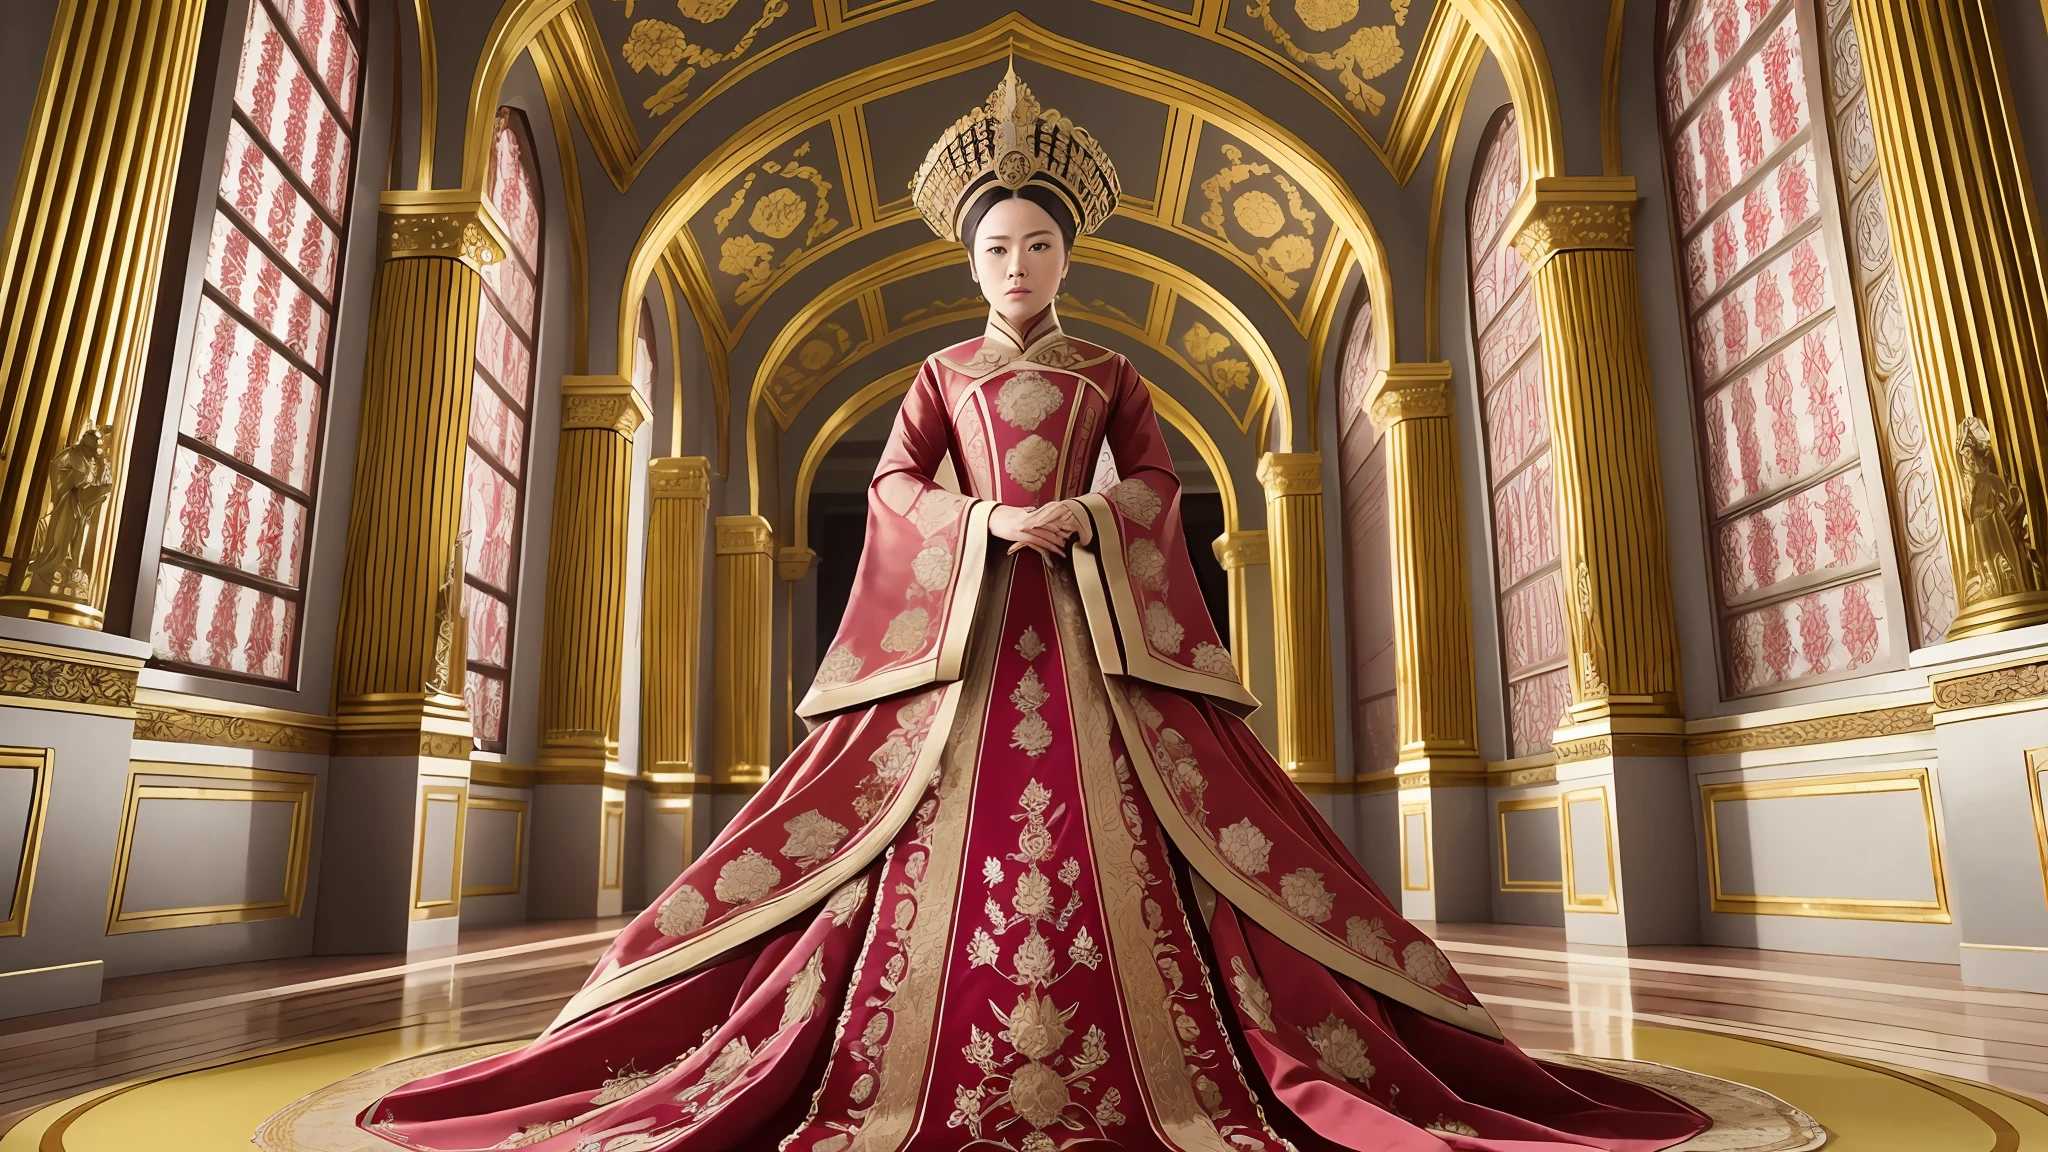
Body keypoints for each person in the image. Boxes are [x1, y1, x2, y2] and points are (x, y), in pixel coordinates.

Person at [358, 69, 1709, 1152]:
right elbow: (895, 485)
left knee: (1174, 825)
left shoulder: (1114, 372)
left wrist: (1098, 517)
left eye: (1038, 244)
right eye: (998, 246)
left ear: (1068, 256)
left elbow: (1165, 480)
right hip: (967, 629)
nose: (1018, 262)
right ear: (971, 260)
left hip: (1092, 626)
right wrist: (983, 522)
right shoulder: (936, 375)